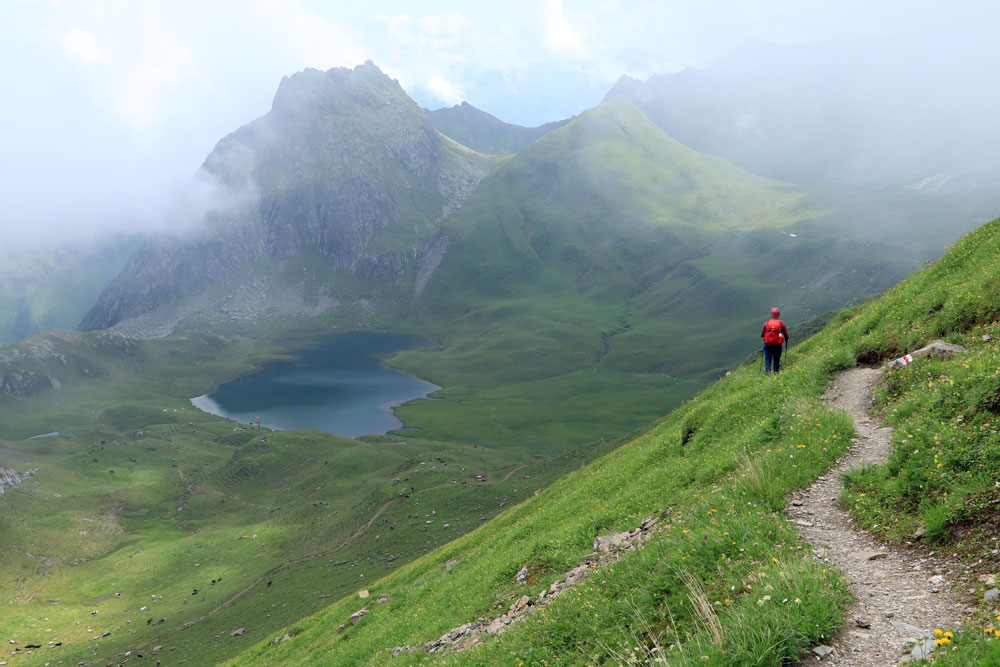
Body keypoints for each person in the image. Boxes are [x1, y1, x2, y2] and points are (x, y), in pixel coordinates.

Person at [761, 307, 789, 374]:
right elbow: (786, 336)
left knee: (768, 360)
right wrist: (786, 341)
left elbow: (762, 335)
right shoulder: (782, 323)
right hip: (777, 345)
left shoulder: (766, 323)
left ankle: (768, 374)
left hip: (767, 344)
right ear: (778, 314)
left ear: (771, 314)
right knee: (776, 360)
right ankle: (776, 373)